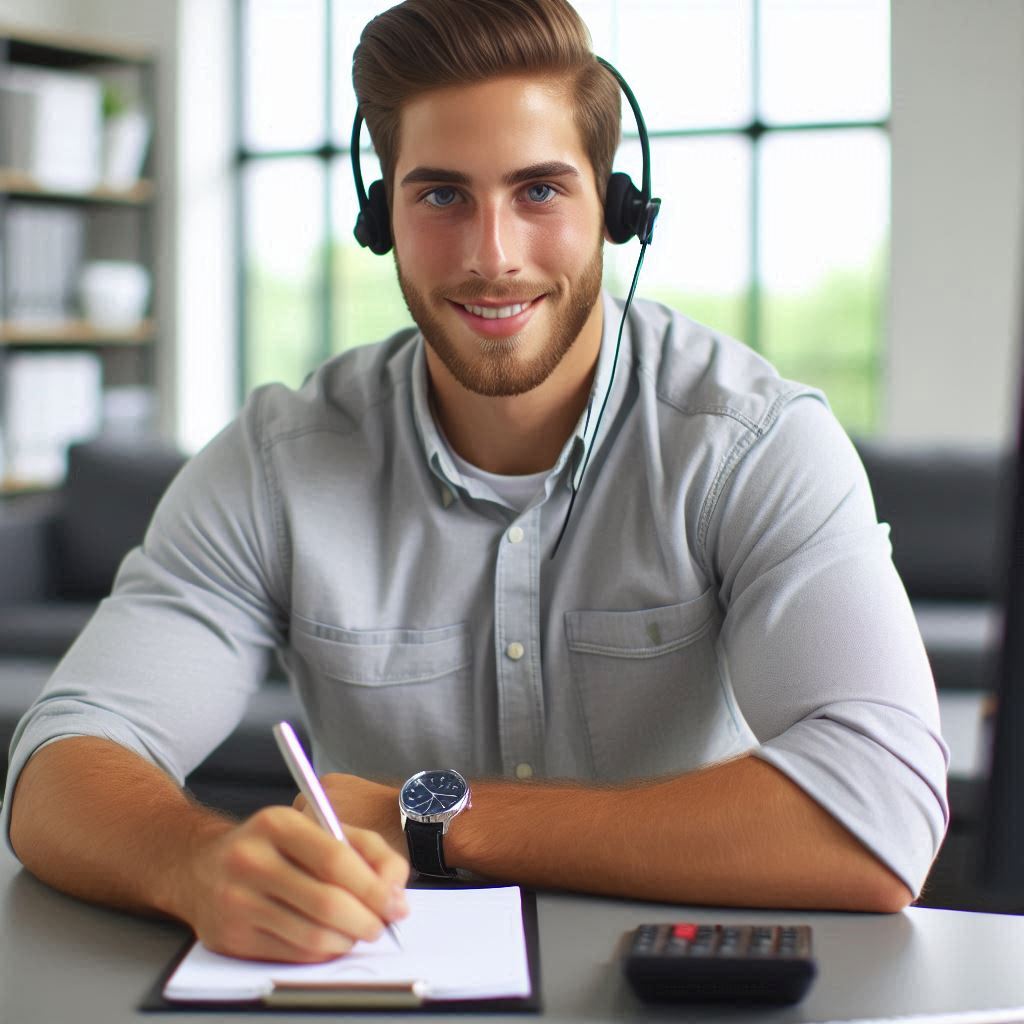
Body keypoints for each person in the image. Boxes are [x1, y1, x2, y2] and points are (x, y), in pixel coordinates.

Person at [5, 0, 948, 965]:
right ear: (381, 218)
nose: (493, 256)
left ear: (617, 209)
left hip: (663, 990)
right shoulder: (276, 460)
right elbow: (63, 760)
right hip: (374, 985)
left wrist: (439, 823)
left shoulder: (751, 444)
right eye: (442, 196)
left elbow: (882, 812)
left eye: (539, 191)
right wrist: (197, 863)